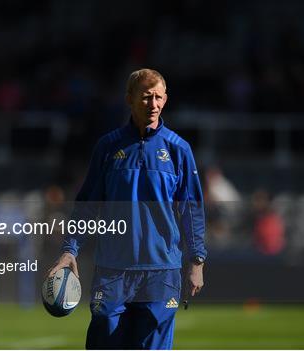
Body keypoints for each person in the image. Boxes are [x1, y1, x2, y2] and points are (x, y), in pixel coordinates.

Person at [48, 68, 207, 349]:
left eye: (158, 97)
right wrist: (69, 250)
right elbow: (87, 205)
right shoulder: (107, 148)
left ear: (166, 99)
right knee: (104, 339)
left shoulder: (178, 150)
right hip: (113, 269)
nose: (153, 104)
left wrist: (196, 261)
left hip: (162, 270)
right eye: (146, 97)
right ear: (129, 99)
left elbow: (192, 209)